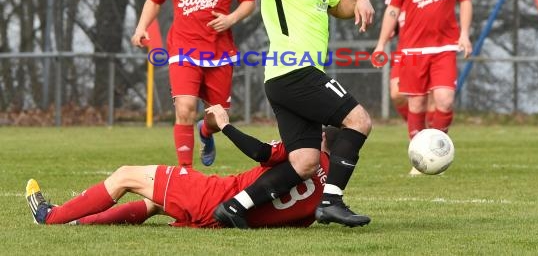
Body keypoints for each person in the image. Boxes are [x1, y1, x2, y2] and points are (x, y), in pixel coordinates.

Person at [210, 0, 374, 228]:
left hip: (282, 80)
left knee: (305, 161)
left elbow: (340, 5)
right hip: (296, 72)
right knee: (359, 120)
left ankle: (233, 207)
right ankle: (331, 200)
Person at [25, 105, 340, 228]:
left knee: (125, 175)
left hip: (213, 197)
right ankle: (79, 222)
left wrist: (226, 126)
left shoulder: (303, 153)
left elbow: (260, 152)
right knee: (153, 204)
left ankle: (49, 216)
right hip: (223, 221)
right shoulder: (327, 193)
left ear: (321, 134)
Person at [131, 0, 257, 168]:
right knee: (185, 108)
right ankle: (186, 174)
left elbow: (250, 0)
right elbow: (154, 0)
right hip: (183, 50)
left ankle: (205, 132)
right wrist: (141, 27)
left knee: (218, 119)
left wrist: (230, 19)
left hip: (219, 53)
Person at [373, 0, 473, 156]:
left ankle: (437, 152)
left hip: (444, 47)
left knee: (445, 100)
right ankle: (418, 154)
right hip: (412, 50)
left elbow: (466, 0)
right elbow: (393, 10)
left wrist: (465, 34)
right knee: (415, 103)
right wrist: (380, 44)